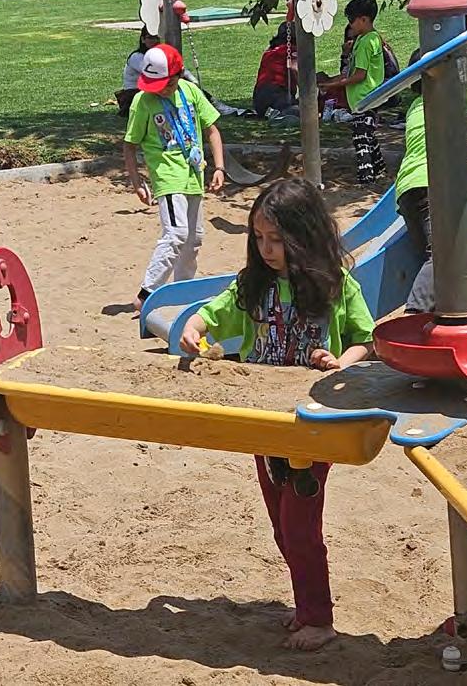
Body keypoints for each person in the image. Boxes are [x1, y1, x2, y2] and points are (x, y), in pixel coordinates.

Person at [177, 179, 373, 651]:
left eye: (277, 240)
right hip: (263, 422)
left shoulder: (335, 285)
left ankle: (319, 619)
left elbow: (365, 340)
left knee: (300, 523)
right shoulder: (252, 284)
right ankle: (306, 606)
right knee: (282, 524)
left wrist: (339, 362)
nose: (266, 249)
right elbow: (212, 314)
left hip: (311, 423)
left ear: (304, 236)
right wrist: (192, 327)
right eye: (259, 238)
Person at [394, 49, 467, 312]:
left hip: (407, 186)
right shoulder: (459, 94)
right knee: (442, 256)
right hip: (435, 183)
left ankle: (437, 313)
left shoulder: (416, 107)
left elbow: (449, 136)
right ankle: (414, 312)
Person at [123, 43, 227, 309]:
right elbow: (130, 145)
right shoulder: (142, 102)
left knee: (194, 239)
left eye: (166, 84)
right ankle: (147, 293)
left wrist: (219, 167)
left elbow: (212, 130)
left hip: (194, 175)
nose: (161, 91)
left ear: (178, 75)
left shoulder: (190, 92)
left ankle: (182, 290)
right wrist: (137, 181)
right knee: (176, 233)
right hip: (167, 177)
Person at [322, 0, 388, 183]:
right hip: (363, 98)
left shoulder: (367, 42)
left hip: (365, 98)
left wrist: (333, 85)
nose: (350, 25)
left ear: (364, 19)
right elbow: (352, 71)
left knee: (360, 139)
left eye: (352, 20)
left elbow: (359, 75)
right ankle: (380, 169)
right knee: (368, 135)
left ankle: (366, 177)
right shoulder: (366, 39)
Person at [253, 22, 298, 121]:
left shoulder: (270, 50)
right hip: (277, 95)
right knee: (304, 111)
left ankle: (272, 113)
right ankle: (279, 115)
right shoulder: (290, 50)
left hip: (259, 98)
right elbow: (295, 69)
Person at [116, 27, 160, 116]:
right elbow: (153, 74)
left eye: (157, 37)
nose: (155, 41)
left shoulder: (157, 55)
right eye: (151, 38)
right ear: (143, 39)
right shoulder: (136, 57)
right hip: (135, 94)